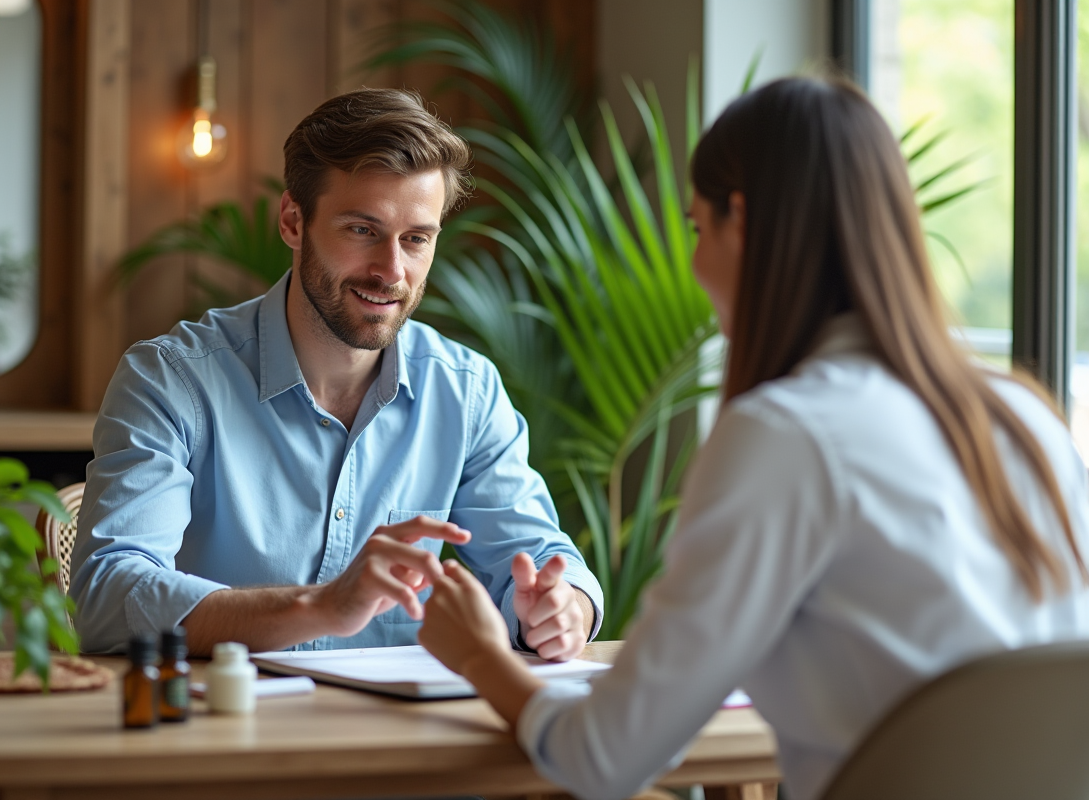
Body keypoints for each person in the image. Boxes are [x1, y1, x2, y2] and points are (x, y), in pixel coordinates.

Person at [415, 76, 1089, 800]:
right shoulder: (1024, 418)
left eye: (698, 229)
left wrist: (484, 657)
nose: (697, 262)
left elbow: (605, 757)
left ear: (741, 219)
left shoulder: (787, 437)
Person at [69, 88, 603, 658]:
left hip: (400, 738)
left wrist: (562, 607)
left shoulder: (465, 391)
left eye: (416, 239)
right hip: (222, 733)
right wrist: (322, 607)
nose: (391, 272)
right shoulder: (171, 380)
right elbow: (108, 594)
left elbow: (541, 557)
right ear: (293, 221)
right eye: (361, 230)